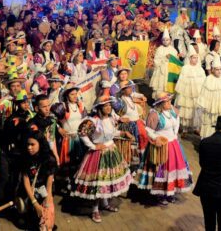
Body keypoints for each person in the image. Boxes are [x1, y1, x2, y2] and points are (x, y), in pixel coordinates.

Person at [71, 95, 133, 223]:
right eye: (105, 105)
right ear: (99, 108)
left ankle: (104, 204)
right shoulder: (93, 121)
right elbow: (82, 134)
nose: (109, 107)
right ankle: (95, 209)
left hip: (111, 151)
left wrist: (122, 133)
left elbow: (111, 132)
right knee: (98, 184)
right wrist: (93, 146)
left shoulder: (110, 118)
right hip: (98, 155)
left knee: (108, 181)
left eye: (109, 105)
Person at [136, 92, 193, 203]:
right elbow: (148, 130)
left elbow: (176, 124)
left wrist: (174, 136)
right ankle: (161, 194)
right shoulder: (155, 115)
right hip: (161, 146)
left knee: (173, 168)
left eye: (169, 100)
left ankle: (170, 192)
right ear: (160, 103)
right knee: (162, 169)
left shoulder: (173, 111)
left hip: (173, 144)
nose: (169, 103)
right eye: (166, 101)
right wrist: (156, 138)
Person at [22, 132, 58, 231]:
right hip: (31, 194)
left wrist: (48, 199)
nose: (29, 147)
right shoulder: (25, 158)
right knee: (33, 223)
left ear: (40, 144)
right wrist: (34, 203)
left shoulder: (49, 159)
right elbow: (26, 181)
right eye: (28, 144)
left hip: (45, 193)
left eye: (32, 144)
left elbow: (49, 182)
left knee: (45, 223)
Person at [197, 59, 221, 139]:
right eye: (217, 69)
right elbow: (204, 96)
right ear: (212, 70)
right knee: (211, 124)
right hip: (212, 109)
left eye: (220, 69)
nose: (219, 71)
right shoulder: (208, 79)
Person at [175, 46, 207, 134]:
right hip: (187, 92)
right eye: (193, 58)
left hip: (197, 93)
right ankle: (185, 128)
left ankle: (196, 127)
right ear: (189, 58)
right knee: (186, 109)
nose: (195, 60)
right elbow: (181, 81)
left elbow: (203, 82)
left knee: (196, 109)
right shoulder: (185, 68)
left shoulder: (200, 69)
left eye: (197, 58)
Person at [151, 29, 178, 97]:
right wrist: (165, 58)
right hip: (161, 70)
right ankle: (160, 99)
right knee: (160, 84)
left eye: (167, 40)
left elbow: (176, 61)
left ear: (170, 40)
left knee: (168, 85)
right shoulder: (159, 49)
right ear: (162, 41)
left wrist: (171, 58)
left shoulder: (173, 50)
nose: (165, 42)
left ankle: (168, 100)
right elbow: (156, 60)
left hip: (170, 70)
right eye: (164, 40)